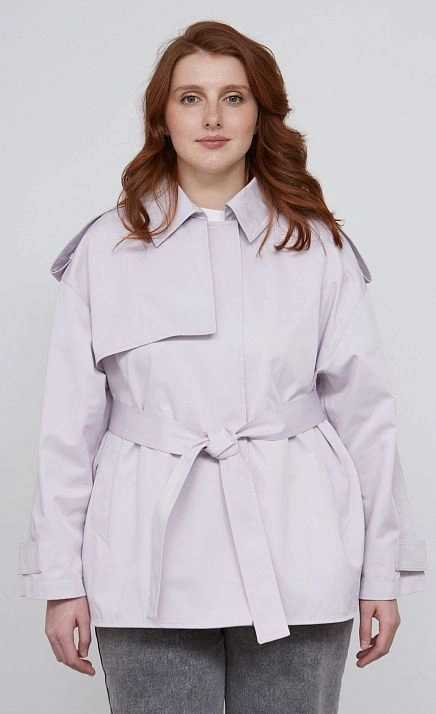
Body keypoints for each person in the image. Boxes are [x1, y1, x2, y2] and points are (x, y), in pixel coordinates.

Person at [17, 19, 429, 714]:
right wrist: (61, 580)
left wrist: (381, 574)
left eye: (233, 98)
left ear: (260, 114)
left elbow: (367, 420)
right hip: (146, 565)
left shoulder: (316, 246)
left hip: (299, 551)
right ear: (162, 117)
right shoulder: (105, 250)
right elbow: (68, 431)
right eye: (191, 98)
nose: (212, 118)